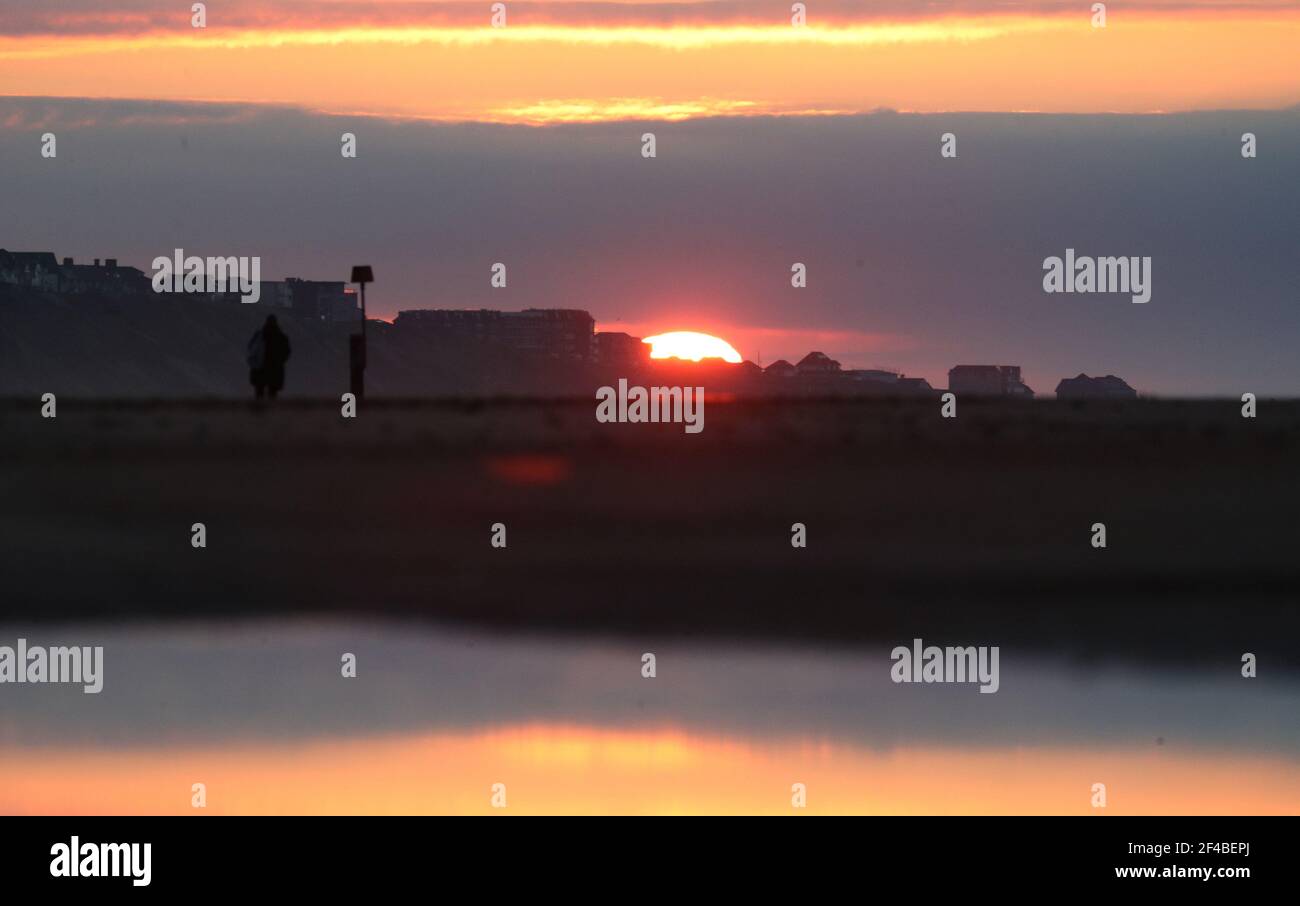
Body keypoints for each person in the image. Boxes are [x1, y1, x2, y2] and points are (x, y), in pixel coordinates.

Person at [247, 315, 292, 399]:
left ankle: (259, 411)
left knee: (259, 394)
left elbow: (251, 349)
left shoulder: (259, 335)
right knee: (272, 395)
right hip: (274, 369)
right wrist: (280, 361)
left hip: (260, 369)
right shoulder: (281, 337)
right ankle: (269, 411)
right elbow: (287, 352)